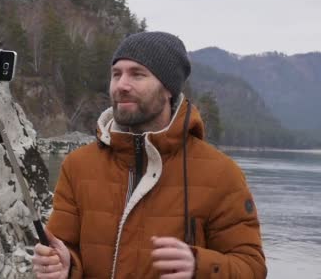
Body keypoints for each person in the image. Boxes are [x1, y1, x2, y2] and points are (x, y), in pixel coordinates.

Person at [32, 32, 266, 278]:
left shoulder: (221, 174)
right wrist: (66, 266)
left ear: (168, 90)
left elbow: (252, 268)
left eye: (137, 74)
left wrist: (200, 267)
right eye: (116, 74)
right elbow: (63, 248)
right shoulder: (78, 166)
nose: (122, 85)